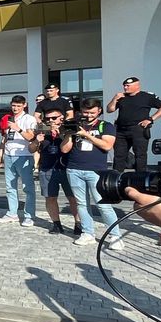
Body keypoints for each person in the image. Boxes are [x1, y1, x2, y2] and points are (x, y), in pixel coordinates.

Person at [62, 98, 123, 249]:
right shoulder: (75, 126)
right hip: (74, 169)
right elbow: (64, 149)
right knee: (81, 204)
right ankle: (87, 233)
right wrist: (70, 133)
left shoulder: (105, 126)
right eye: (85, 112)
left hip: (96, 171)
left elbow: (107, 146)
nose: (88, 115)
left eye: (92, 112)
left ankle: (116, 236)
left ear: (99, 111)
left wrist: (87, 135)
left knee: (103, 205)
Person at [31, 110, 81, 236]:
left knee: (73, 198)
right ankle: (56, 224)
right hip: (47, 169)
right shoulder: (42, 130)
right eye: (47, 119)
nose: (50, 121)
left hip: (66, 169)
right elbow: (31, 149)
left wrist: (62, 135)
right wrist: (37, 141)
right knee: (50, 197)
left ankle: (78, 224)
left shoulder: (69, 130)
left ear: (61, 118)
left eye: (54, 118)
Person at [107, 76, 161, 173]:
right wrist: (115, 98)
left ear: (137, 85)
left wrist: (151, 119)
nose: (125, 88)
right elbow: (109, 110)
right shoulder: (121, 97)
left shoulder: (147, 96)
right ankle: (116, 178)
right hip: (121, 130)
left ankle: (140, 178)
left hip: (138, 129)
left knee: (140, 155)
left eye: (128, 85)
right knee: (119, 155)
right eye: (124, 86)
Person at [0, 95, 38, 226]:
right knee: (10, 187)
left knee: (28, 188)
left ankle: (29, 215)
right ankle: (12, 213)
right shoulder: (9, 118)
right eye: (14, 105)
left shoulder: (29, 119)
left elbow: (31, 137)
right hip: (9, 155)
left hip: (24, 155)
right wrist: (0, 154)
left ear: (24, 105)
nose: (15, 108)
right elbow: (5, 138)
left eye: (18, 106)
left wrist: (18, 129)